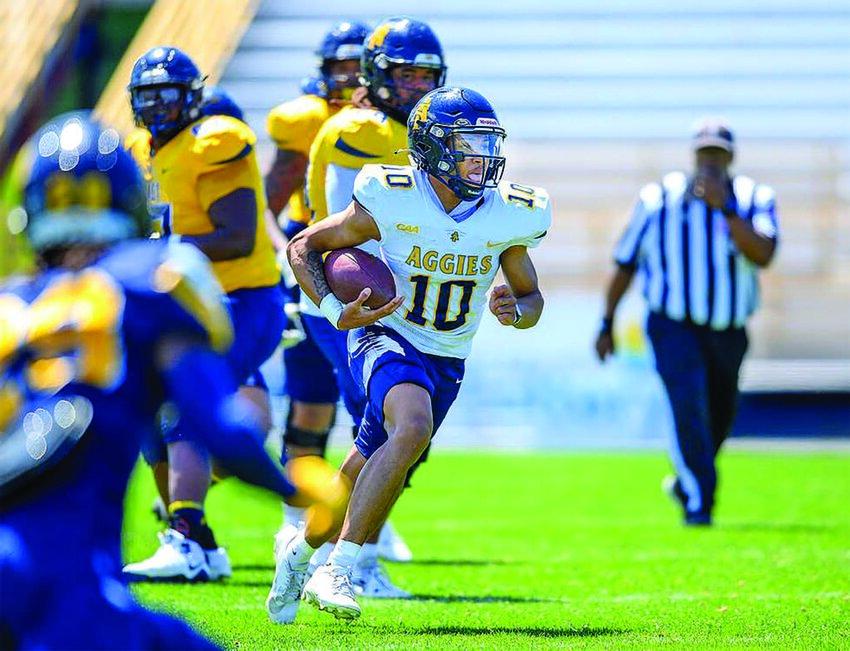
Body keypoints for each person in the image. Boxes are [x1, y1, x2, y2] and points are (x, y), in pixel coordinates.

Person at [0, 112, 346, 648]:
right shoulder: (150, 284)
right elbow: (222, 430)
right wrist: (294, 487)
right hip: (66, 583)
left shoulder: (9, 306)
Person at [267, 86, 551, 623]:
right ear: (432, 147)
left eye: (487, 143)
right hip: (386, 332)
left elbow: (531, 297)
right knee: (413, 426)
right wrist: (333, 310)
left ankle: (300, 554)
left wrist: (517, 310)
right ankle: (340, 568)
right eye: (468, 143)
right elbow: (303, 247)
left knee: (364, 462)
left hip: (447, 356)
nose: (482, 156)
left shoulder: (511, 213)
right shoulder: (389, 193)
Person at [291, 16, 448, 588]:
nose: (416, 87)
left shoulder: (434, 132)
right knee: (390, 428)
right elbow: (346, 243)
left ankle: (330, 549)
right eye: (404, 75)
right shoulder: (356, 130)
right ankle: (352, 558)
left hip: (400, 305)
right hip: (350, 297)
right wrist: (341, 303)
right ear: (377, 76)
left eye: (424, 76)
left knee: (397, 432)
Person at [122, 46, 285, 581]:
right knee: (151, 421)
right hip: (183, 304)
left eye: (169, 95)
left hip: (240, 300)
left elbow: (238, 237)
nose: (159, 107)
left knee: (183, 412)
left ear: (193, 97)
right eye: (148, 97)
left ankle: (186, 539)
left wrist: (157, 248)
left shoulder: (213, 141)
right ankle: (202, 543)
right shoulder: (141, 148)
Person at [594, 119, 779, 526]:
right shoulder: (658, 199)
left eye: (719, 154)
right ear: (694, 156)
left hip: (729, 329)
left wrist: (725, 209)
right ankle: (699, 503)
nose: (711, 161)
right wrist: (607, 322)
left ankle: (687, 480)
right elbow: (625, 264)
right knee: (688, 405)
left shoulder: (753, 197)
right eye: (705, 153)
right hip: (673, 326)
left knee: (721, 413)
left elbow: (764, 253)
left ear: (731, 158)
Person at [263, 20, 377, 556]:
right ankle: (295, 519)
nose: (351, 77)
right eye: (341, 66)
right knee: (310, 407)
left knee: (370, 411)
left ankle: (365, 518)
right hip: (310, 268)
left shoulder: (389, 126)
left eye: (360, 66)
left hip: (364, 272)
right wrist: (288, 271)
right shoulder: (306, 121)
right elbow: (269, 205)